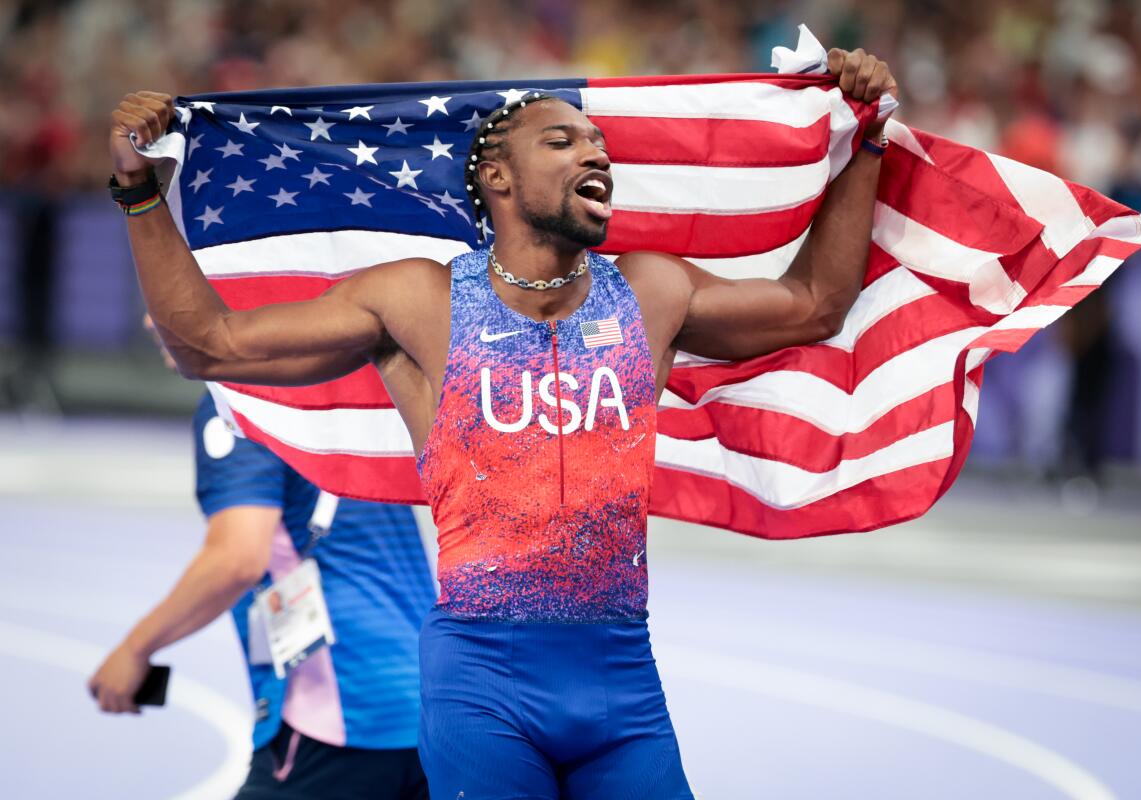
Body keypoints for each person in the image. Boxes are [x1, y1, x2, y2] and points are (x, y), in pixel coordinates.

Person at [107, 47, 897, 799]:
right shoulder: (420, 303)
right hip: (481, 680)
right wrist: (140, 192)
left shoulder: (651, 294)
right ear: (497, 179)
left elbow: (815, 306)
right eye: (564, 141)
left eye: (598, 144)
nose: (596, 155)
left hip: (622, 678)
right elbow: (209, 344)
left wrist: (863, 146)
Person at [88, 331, 435, 799]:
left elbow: (236, 558)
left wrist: (134, 649)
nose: (150, 320)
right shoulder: (340, 393)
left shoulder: (238, 407)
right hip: (432, 701)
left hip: (343, 712)